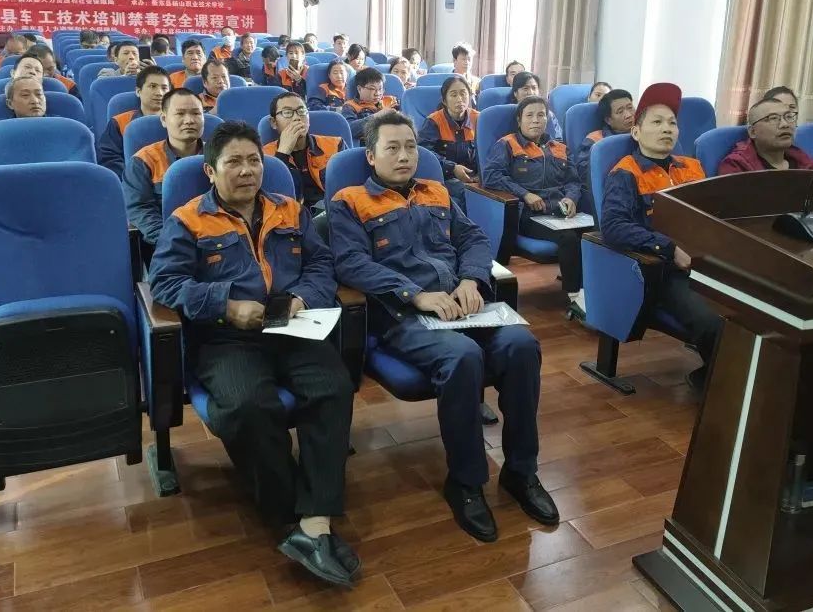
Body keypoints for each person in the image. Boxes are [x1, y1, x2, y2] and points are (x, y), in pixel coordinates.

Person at [329, 110, 558, 542]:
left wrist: (472, 279)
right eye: (392, 148)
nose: (404, 156)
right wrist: (414, 294)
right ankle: (466, 482)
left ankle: (521, 471)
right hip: (404, 315)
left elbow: (474, 239)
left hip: (463, 304)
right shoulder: (349, 201)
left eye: (410, 147)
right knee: (463, 357)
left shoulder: (436, 191)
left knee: (522, 345)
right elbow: (350, 263)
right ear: (371, 155)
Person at [149, 121, 359, 588]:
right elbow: (164, 282)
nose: (247, 171)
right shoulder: (187, 219)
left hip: (292, 327)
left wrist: (302, 296)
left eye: (253, 161)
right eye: (234, 163)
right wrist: (225, 305)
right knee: (247, 406)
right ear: (210, 171)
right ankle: (288, 514)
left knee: (333, 387)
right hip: (226, 337)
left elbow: (321, 262)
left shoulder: (290, 208)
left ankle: (315, 522)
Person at [600, 83, 723, 392]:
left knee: (756, 313)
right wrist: (669, 249)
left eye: (672, 123)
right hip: (664, 271)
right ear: (636, 132)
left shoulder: (692, 168)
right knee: (714, 322)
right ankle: (722, 386)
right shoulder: (625, 173)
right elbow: (613, 226)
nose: (667, 128)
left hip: (707, 263)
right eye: (656, 122)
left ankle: (726, 377)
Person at [483, 96, 585, 313]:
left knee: (595, 235)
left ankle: (593, 290)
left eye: (541, 115)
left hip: (561, 212)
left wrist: (571, 198)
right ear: (519, 120)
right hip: (528, 214)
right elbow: (491, 176)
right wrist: (525, 194)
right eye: (529, 115)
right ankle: (577, 299)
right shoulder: (507, 144)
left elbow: (574, 181)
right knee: (568, 238)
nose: (536, 120)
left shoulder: (559, 147)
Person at [123, 88, 204, 250]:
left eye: (196, 113)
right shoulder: (143, 161)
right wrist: (172, 242)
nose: (189, 120)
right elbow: (140, 209)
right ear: (164, 119)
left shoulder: (219, 158)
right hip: (168, 246)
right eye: (180, 114)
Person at [264, 92, 345, 209]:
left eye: (301, 111)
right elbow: (268, 199)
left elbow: (349, 186)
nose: (297, 118)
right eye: (287, 113)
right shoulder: (264, 156)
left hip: (332, 209)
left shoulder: (335, 145)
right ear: (274, 122)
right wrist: (282, 153)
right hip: (288, 214)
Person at [98, 66, 171, 177]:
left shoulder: (178, 121)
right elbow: (109, 160)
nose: (159, 93)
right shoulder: (119, 122)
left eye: (164, 88)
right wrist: (134, 178)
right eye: (153, 86)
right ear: (138, 91)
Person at [418, 76, 478, 208]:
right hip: (445, 177)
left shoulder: (479, 118)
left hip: (476, 178)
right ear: (444, 100)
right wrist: (452, 168)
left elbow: (488, 154)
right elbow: (425, 154)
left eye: (463, 93)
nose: (459, 99)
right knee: (465, 195)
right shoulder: (433, 121)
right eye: (454, 95)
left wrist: (480, 175)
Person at [719, 97, 813, 174]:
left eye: (788, 117)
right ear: (753, 132)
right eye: (773, 118)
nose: (785, 124)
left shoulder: (804, 161)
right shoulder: (737, 165)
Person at [0, 76, 47, 169]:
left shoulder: (61, 127)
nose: (35, 101)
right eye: (25, 95)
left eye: (39, 94)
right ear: (10, 104)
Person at [575, 88, 634, 189]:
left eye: (630, 108)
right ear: (608, 120)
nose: (629, 115)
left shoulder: (644, 135)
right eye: (620, 112)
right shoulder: (595, 140)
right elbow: (585, 174)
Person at [341, 68, 399, 143]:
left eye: (380, 89)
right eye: (372, 89)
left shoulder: (391, 101)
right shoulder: (350, 106)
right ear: (359, 89)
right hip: (371, 143)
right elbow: (350, 129)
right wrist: (377, 116)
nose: (377, 93)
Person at [510, 72, 562, 140]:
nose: (531, 93)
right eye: (525, 88)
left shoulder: (548, 114)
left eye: (534, 88)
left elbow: (558, 139)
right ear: (515, 93)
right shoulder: (508, 113)